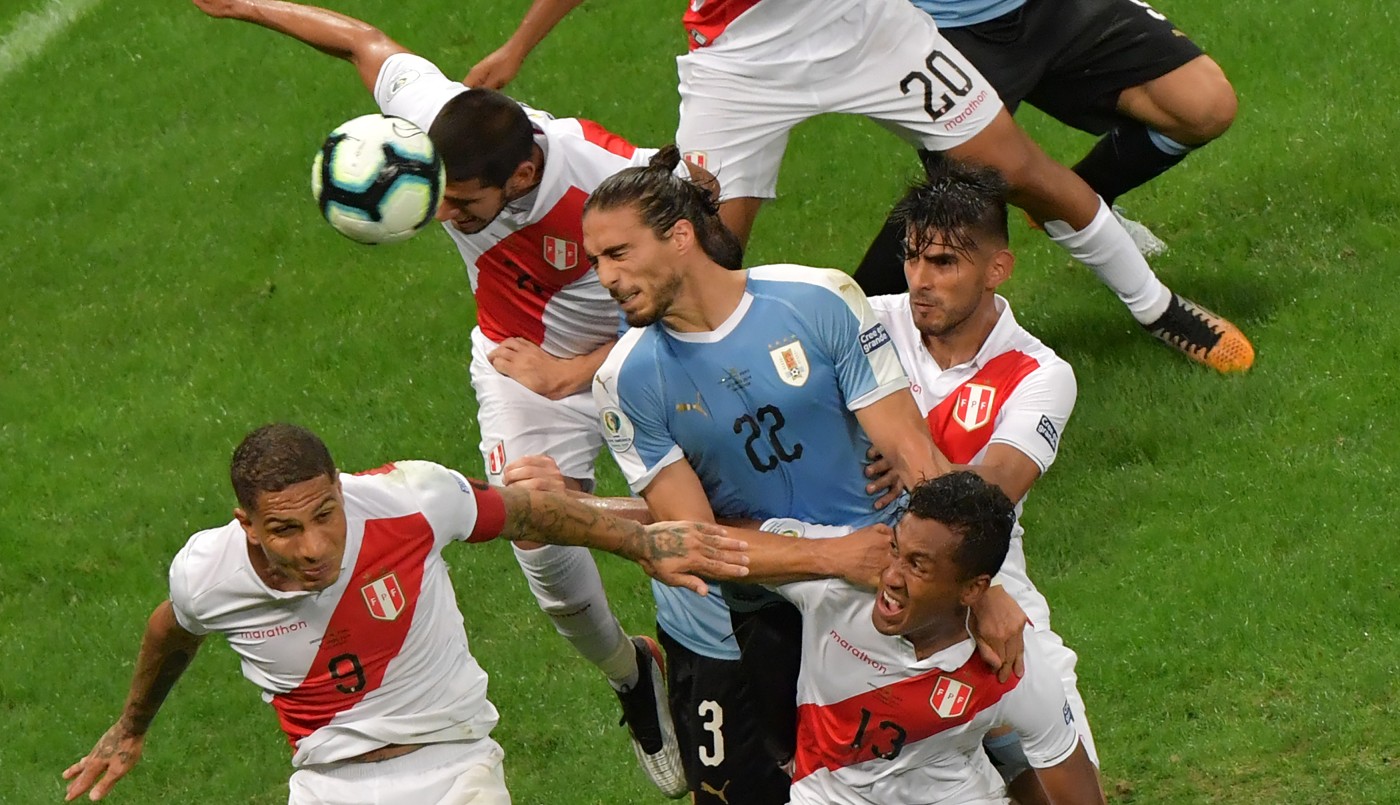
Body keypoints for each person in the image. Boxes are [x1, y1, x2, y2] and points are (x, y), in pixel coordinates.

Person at [189, 0, 711, 791]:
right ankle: (631, 672)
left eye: (462, 204)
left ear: (523, 176)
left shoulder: (609, 182)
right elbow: (360, 41)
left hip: (650, 354)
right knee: (543, 549)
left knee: (720, 506)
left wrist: (576, 371)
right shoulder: (437, 123)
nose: (442, 213)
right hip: (518, 365)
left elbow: (703, 289)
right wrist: (241, 6)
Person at [466, 0, 1254, 374]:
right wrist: (517, 48)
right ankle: (733, 409)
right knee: (704, 249)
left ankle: (1160, 310)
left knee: (1015, 170)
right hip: (741, 59)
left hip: (864, 23)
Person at [584, 150, 1031, 803]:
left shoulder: (817, 299)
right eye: (596, 260)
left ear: (680, 236)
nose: (605, 277)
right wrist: (831, 556)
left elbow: (912, 451)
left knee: (1002, 750)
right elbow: (699, 544)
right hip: (768, 615)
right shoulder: (624, 381)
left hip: (891, 582)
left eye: (619, 254)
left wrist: (983, 591)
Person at [60, 423, 749, 804]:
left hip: (454, 766)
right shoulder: (207, 575)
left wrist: (641, 543)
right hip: (326, 784)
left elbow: (530, 512)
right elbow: (172, 629)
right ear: (247, 524)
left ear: (339, 489)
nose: (315, 546)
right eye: (285, 530)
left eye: (325, 514)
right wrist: (130, 726)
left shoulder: (410, 500)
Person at [864, 160, 1097, 801]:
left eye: (944, 263)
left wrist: (910, 457)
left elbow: (993, 490)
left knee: (1063, 788)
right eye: (912, 257)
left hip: (991, 591)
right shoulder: (866, 324)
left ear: (998, 269)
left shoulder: (1039, 373)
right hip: (871, 594)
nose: (920, 280)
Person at [757, 473, 1106, 804]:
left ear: (973, 590)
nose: (891, 576)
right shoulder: (842, 577)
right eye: (896, 549)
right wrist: (823, 557)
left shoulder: (1009, 659)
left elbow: (1074, 786)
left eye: (918, 565)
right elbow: (729, 542)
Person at [849, 0, 1236, 275]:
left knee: (1203, 104)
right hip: (942, 29)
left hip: (1057, 9)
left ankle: (1079, 203)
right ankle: (855, 325)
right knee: (965, 187)